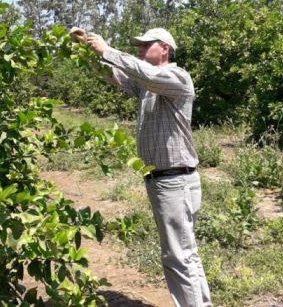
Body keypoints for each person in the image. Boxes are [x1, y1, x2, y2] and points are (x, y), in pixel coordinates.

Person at [70, 26, 212, 307]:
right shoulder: (149, 86)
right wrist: (87, 48)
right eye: (138, 45)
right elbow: (115, 75)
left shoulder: (176, 77)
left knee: (179, 255)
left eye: (146, 45)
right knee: (182, 253)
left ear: (165, 49)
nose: (139, 49)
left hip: (175, 181)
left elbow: (146, 74)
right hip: (164, 181)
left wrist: (108, 50)